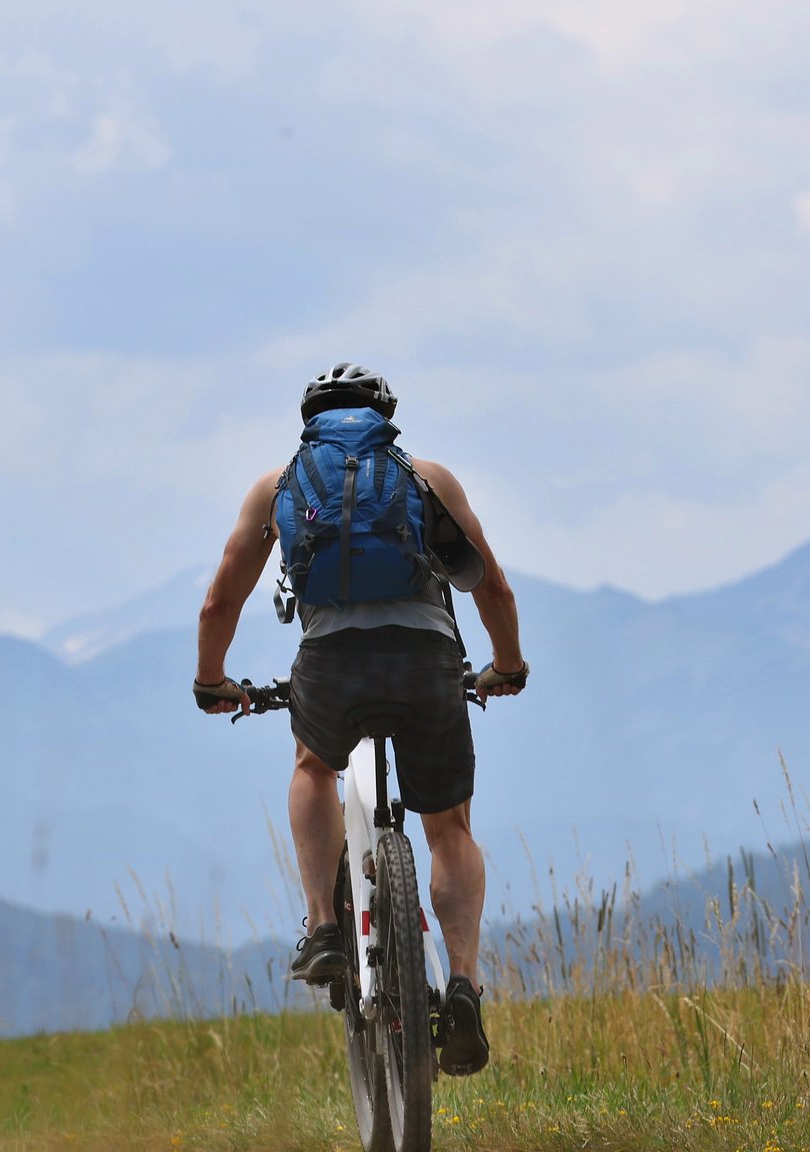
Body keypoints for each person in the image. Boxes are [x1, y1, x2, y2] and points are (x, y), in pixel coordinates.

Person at [191, 363, 527, 1077]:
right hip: (428, 662)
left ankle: (322, 928)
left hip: (331, 665)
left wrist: (212, 681)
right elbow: (489, 584)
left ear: (310, 421)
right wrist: (508, 665)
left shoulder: (279, 486)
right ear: (385, 417)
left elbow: (220, 602)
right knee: (450, 829)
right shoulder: (427, 478)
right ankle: (462, 982)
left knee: (315, 766)